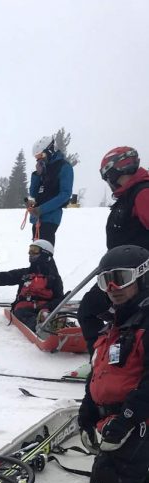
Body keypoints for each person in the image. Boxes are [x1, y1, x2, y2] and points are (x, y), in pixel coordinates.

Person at [77, 245, 149, 483]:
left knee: (113, 481)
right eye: (105, 281)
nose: (112, 289)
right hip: (123, 415)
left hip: (141, 416)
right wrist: (88, 409)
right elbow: (102, 370)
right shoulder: (118, 324)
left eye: (119, 279)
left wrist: (127, 419)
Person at [77, 147, 149, 353]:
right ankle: (109, 358)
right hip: (119, 271)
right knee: (112, 314)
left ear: (115, 172)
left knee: (89, 311)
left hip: (136, 275)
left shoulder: (142, 193)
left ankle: (105, 360)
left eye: (108, 177)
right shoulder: (129, 196)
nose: (109, 182)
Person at [0, 239, 64, 332]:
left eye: (34, 250)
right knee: (23, 313)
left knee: (55, 313)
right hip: (25, 310)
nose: (30, 253)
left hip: (45, 310)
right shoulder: (24, 274)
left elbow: (59, 299)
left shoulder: (54, 278)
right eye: (30, 250)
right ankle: (41, 326)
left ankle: (53, 323)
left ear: (45, 254)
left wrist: (46, 307)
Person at [26, 135, 74, 246]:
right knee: (35, 253)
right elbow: (33, 194)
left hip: (50, 218)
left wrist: (41, 209)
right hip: (36, 219)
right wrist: (37, 175)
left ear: (50, 150)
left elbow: (65, 195)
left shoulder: (63, 167)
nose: (39, 158)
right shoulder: (42, 170)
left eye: (41, 155)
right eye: (36, 156)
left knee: (42, 253)